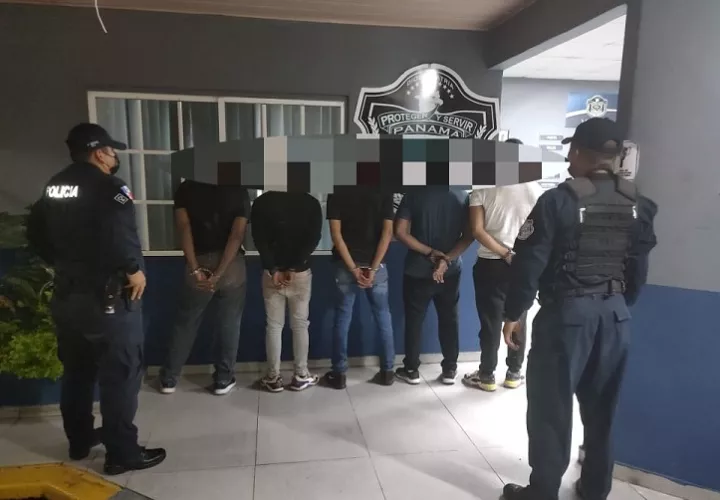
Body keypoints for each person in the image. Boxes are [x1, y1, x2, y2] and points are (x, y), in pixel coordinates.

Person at [500, 118, 658, 500]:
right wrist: (616, 305)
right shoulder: (638, 204)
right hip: (616, 317)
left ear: (575, 151)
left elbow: (529, 264)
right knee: (602, 412)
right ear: (617, 156)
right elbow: (638, 270)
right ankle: (594, 489)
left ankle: (542, 493)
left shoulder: (558, 201)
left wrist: (514, 313)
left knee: (550, 410)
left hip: (567, 319)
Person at [26, 123, 166, 475]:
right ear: (100, 153)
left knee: (77, 373)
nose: (114, 156)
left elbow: (35, 233)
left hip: (67, 296)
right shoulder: (110, 188)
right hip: (108, 301)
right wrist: (132, 269)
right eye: (112, 151)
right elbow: (117, 231)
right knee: (120, 375)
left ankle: (79, 440)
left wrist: (63, 263)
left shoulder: (55, 186)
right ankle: (122, 453)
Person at [158, 180, 250, 396]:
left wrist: (195, 269)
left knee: (186, 323)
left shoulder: (186, 189)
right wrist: (219, 273)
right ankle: (223, 379)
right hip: (232, 267)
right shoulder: (237, 189)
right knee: (229, 323)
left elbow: (184, 228)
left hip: (197, 261)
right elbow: (237, 235)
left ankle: (169, 379)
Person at [463, 173, 544, 392]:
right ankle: (514, 373)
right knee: (518, 317)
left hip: (490, 264)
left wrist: (504, 253)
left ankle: (487, 375)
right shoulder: (536, 189)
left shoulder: (482, 188)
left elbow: (477, 230)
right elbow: (540, 232)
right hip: (523, 263)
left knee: (490, 321)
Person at [394, 187, 473, 385]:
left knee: (414, 320)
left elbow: (400, 232)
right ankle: (450, 369)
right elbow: (469, 235)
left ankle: (411, 369)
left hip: (417, 269)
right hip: (451, 271)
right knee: (449, 318)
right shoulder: (462, 196)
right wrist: (446, 259)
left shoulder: (413, 194)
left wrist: (430, 253)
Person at [323, 187, 396, 389]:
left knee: (342, 317)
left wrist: (353, 268)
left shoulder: (337, 190)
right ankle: (388, 371)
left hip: (345, 266)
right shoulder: (384, 190)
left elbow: (336, 235)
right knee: (383, 316)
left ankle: (339, 374)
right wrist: (373, 268)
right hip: (377, 265)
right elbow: (387, 233)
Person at [251, 190, 323, 392]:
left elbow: (259, 238)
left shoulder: (263, 201)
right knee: (300, 324)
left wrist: (273, 268)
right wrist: (294, 266)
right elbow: (313, 238)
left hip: (271, 274)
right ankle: (301, 375)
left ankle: (273, 377)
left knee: (274, 326)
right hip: (300, 273)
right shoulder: (310, 202)